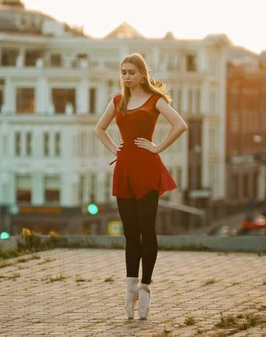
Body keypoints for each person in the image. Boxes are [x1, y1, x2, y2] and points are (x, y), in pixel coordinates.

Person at [94, 53, 187, 320]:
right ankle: (129, 288)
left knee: (147, 230)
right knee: (130, 233)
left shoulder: (155, 100)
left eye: (131, 72)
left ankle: (145, 287)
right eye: (123, 72)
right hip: (124, 171)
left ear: (142, 74)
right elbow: (99, 129)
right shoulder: (117, 101)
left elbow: (180, 125)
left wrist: (157, 147)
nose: (126, 76)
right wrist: (115, 148)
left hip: (147, 170)